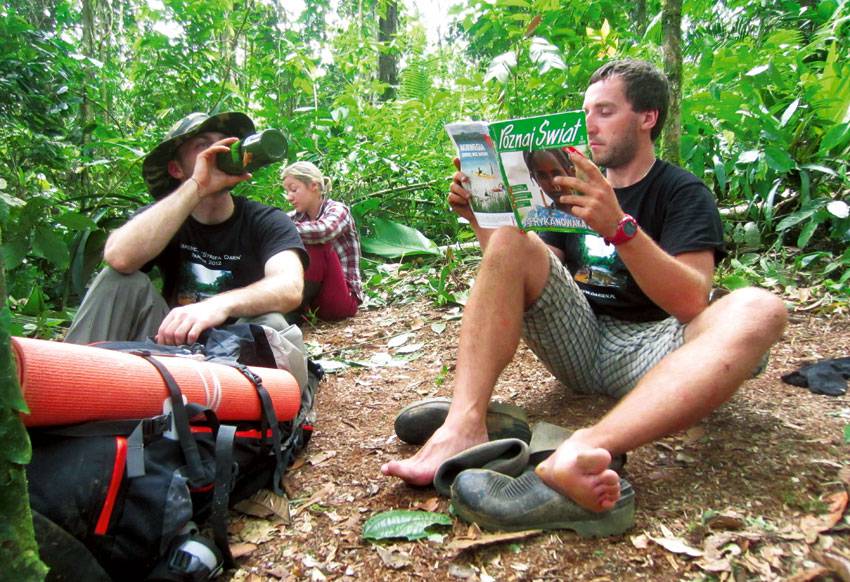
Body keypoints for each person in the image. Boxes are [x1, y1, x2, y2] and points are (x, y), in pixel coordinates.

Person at [382, 60, 788, 513]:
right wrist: (483, 217)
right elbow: (522, 272)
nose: (590, 124)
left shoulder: (682, 192)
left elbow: (692, 301)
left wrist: (619, 227)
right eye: (586, 112)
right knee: (513, 238)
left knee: (759, 308)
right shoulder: (567, 188)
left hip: (654, 350)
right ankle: (464, 425)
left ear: (647, 117)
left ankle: (584, 450)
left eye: (605, 111)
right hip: (581, 339)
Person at [65, 112, 308, 345]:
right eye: (203, 145)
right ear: (176, 169)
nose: (219, 150)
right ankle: (75, 372)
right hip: (168, 343)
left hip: (237, 354)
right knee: (118, 282)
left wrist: (218, 305)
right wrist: (197, 186)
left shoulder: (265, 220)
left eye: (225, 142)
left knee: (273, 324)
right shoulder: (164, 217)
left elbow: (290, 287)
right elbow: (118, 258)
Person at [281, 161, 363, 321]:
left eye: (294, 189)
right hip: (312, 303)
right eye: (287, 191)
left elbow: (325, 230)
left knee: (318, 244)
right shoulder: (294, 218)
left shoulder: (338, 209)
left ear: (314, 186)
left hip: (341, 299)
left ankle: (291, 308)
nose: (289, 197)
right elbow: (274, 226)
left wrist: (281, 229)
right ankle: (286, 304)